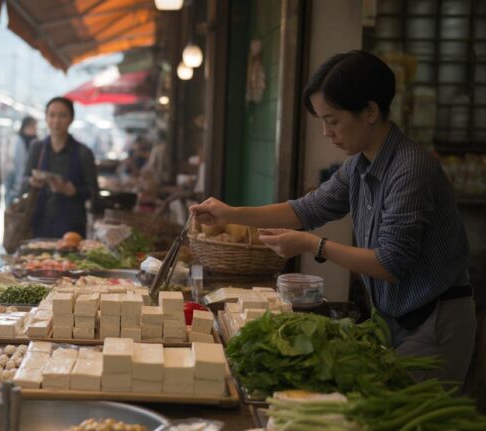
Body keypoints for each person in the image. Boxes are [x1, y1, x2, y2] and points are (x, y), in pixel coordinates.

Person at [190, 50, 475, 386]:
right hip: (395, 315)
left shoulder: (409, 170)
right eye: (322, 121)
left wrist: (313, 245)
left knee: (411, 418)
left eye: (333, 120)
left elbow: (389, 264)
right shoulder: (360, 164)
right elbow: (306, 209)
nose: (327, 132)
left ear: (370, 111)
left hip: (434, 317)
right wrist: (230, 213)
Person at [21, 97, 98, 238]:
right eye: (52, 115)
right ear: (46, 118)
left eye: (62, 115)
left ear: (71, 119)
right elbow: (23, 182)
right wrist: (31, 182)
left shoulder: (83, 152)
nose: (56, 121)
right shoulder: (37, 148)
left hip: (72, 229)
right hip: (38, 225)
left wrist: (73, 191)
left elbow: (93, 191)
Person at [4, 116, 37, 205]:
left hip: (28, 183)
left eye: (34, 127)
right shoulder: (18, 141)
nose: (33, 130)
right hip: (15, 181)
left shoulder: (35, 142)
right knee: (13, 208)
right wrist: (18, 186)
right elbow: (18, 164)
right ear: (24, 127)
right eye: (31, 127)